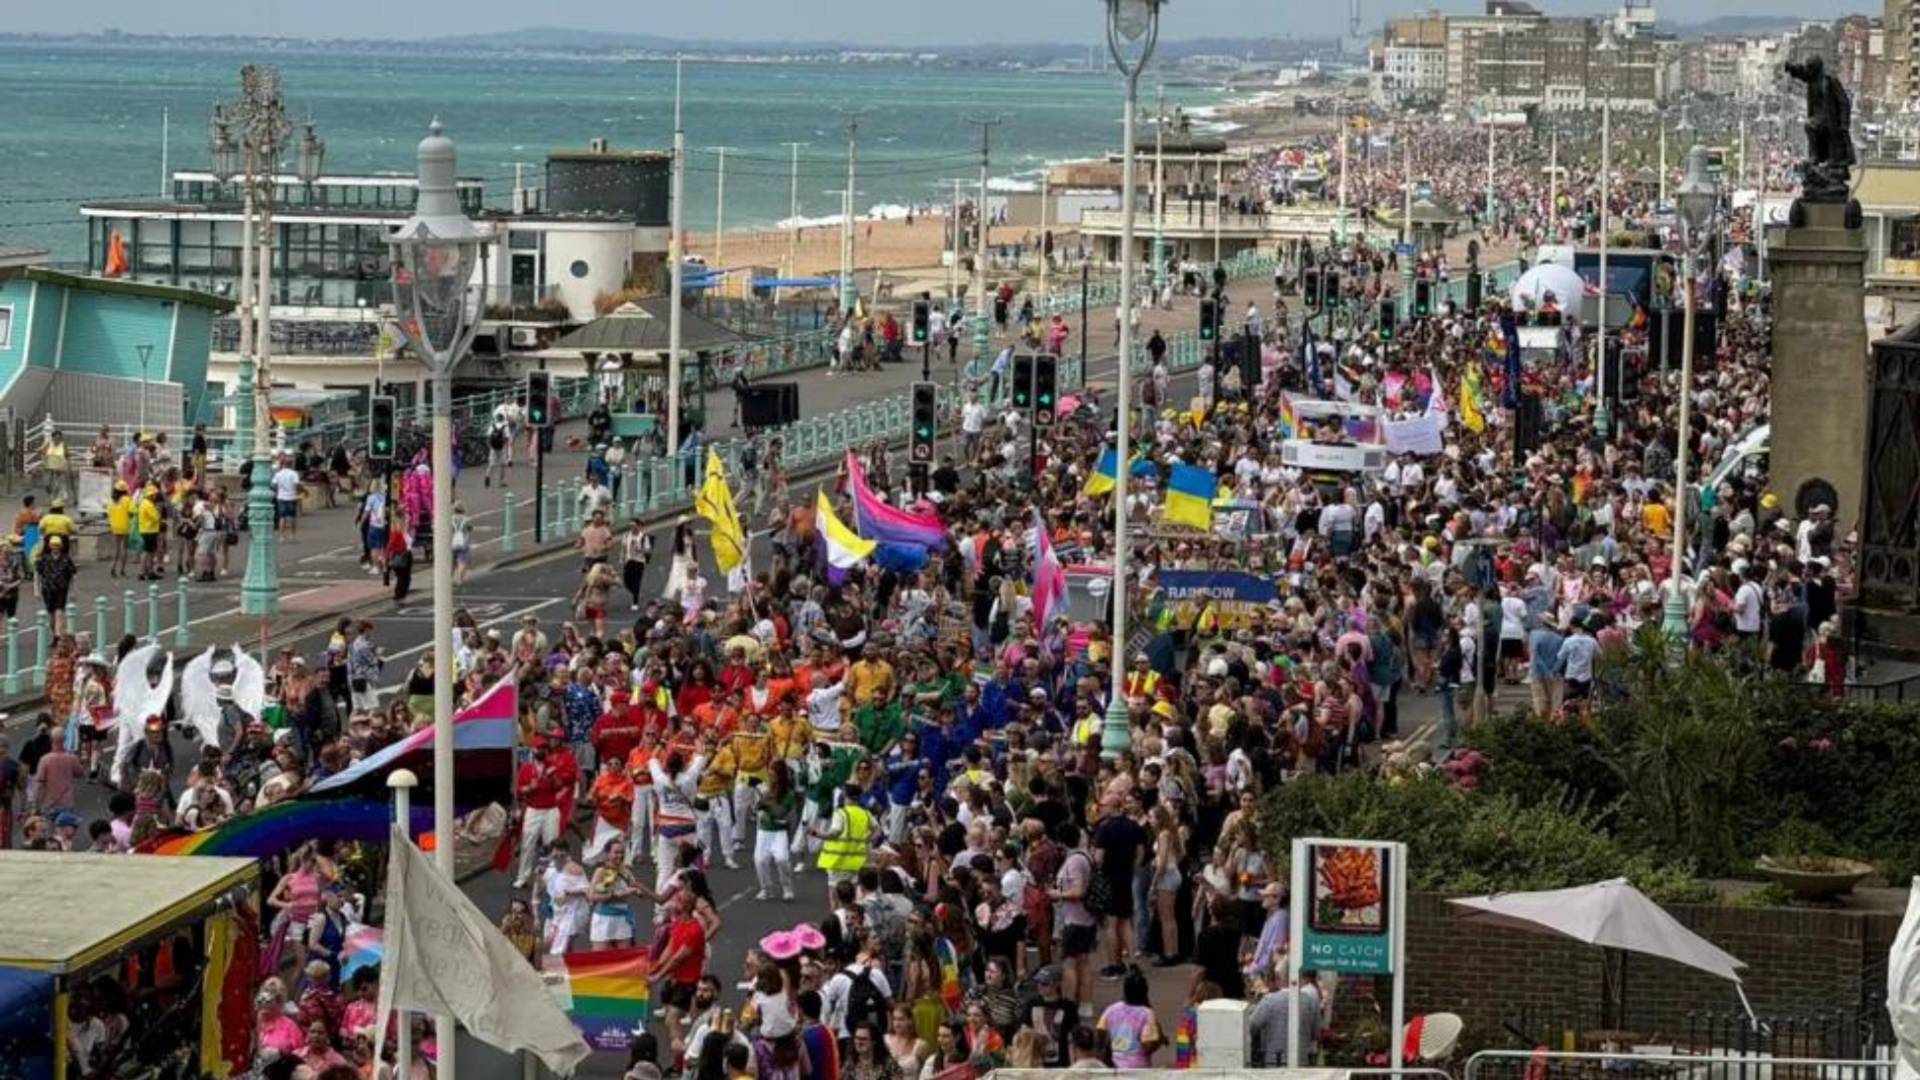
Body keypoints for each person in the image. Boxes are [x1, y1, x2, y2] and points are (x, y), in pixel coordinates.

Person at [1096, 968, 1163, 1068]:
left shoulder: (1112, 1009)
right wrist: (1159, 1040)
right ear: (1145, 992)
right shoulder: (1146, 1013)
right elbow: (1147, 1046)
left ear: (1124, 991)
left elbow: (1101, 1033)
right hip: (1138, 1067)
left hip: (1115, 1065)